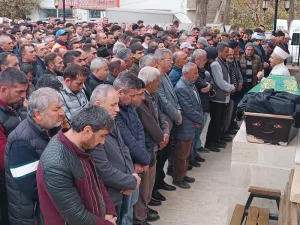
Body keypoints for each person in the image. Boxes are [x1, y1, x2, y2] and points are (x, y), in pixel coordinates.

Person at [36, 105, 117, 225]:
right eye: (102, 135)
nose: (102, 142)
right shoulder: (56, 164)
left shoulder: (82, 148)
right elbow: (75, 216)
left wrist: (109, 211)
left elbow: (97, 181)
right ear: (87, 131)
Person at [5, 88, 64, 225]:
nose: (61, 113)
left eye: (61, 107)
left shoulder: (52, 129)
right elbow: (34, 188)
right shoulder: (21, 142)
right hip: (33, 217)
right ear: (38, 114)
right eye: (56, 109)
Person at [89, 85, 141, 225]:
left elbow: (124, 149)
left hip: (121, 186)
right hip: (109, 195)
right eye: (113, 105)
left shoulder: (109, 120)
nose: (117, 109)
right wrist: (130, 181)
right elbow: (103, 169)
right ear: (98, 105)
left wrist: (129, 176)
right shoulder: (91, 130)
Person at [114, 73, 152, 224]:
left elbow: (139, 131)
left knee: (131, 204)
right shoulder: (115, 110)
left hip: (135, 163)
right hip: (125, 166)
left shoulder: (129, 106)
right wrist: (144, 159)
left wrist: (142, 159)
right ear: (120, 92)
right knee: (124, 210)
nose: (142, 98)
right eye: (137, 94)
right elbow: (126, 139)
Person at [135, 66, 169, 224]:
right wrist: (161, 137)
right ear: (149, 83)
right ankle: (140, 217)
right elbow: (149, 123)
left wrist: (165, 132)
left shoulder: (153, 95)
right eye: (157, 81)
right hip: (147, 148)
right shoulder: (141, 100)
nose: (159, 83)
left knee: (149, 186)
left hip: (154, 146)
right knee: (144, 189)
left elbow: (160, 116)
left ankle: (144, 211)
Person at [0, 68, 28, 225]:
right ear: (4, 90)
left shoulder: (15, 106)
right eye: (19, 92)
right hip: (6, 184)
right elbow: (4, 157)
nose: (23, 96)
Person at [153, 48, 181, 201]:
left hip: (170, 122)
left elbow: (173, 96)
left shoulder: (166, 75)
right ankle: (154, 188)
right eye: (168, 60)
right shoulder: (156, 77)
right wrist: (176, 115)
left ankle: (161, 181)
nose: (171, 62)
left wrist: (178, 109)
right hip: (162, 122)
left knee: (165, 155)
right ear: (159, 61)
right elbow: (163, 101)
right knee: (159, 157)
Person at [173, 62, 204, 189]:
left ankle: (183, 174)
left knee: (187, 153)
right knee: (182, 154)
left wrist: (199, 118)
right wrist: (200, 119)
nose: (197, 75)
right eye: (195, 73)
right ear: (186, 74)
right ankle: (178, 178)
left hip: (192, 123)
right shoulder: (181, 87)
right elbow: (188, 109)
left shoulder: (190, 84)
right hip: (185, 126)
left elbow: (197, 104)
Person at [205, 43, 236, 152]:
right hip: (217, 97)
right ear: (219, 52)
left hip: (224, 96)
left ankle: (217, 139)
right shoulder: (215, 64)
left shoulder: (224, 62)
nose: (228, 54)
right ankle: (210, 142)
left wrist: (229, 88)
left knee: (221, 120)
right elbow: (220, 82)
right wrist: (231, 88)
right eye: (226, 52)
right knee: (215, 121)